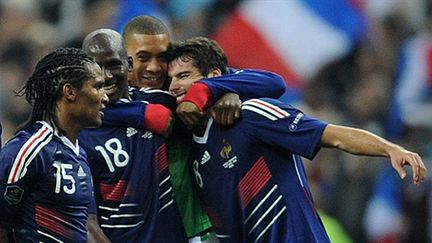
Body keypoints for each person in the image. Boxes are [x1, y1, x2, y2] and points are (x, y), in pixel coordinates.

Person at [167, 36, 427, 243]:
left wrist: (389, 148)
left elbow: (333, 136)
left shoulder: (251, 115)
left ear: (213, 77)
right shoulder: (187, 144)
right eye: (170, 80)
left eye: (183, 76)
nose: (173, 87)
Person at [120, 15, 287, 242]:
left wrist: (221, 89)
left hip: (197, 231)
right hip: (136, 232)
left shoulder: (178, 95)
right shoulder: (107, 100)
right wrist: (139, 113)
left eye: (162, 57)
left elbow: (273, 82)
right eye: (143, 58)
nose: (155, 67)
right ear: (124, 59)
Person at [80, 28, 187, 242]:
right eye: (96, 67)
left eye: (113, 65)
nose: (105, 75)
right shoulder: (79, 133)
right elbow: (86, 224)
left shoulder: (158, 100)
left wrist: (218, 93)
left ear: (128, 65)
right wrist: (139, 114)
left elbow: (270, 83)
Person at [0, 47, 109, 242]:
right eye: (98, 87)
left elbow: (88, 227)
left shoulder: (79, 154)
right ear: (69, 91)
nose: (105, 97)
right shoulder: (27, 151)